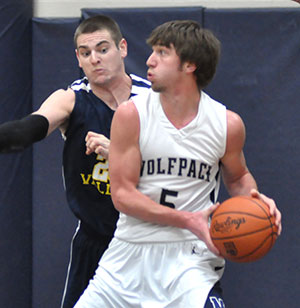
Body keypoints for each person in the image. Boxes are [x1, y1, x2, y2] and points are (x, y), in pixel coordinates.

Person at [74, 20, 282, 308]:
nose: (149, 60)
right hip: (129, 253)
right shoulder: (131, 115)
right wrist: (187, 219)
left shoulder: (226, 124)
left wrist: (256, 202)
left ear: (189, 65)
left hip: (190, 258)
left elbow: (238, 178)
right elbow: (122, 195)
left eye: (162, 52)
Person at [0, 15, 150, 308]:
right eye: (85, 52)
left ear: (122, 48)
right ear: (78, 59)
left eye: (103, 49)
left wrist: (119, 153)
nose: (95, 59)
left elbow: (176, 164)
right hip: (95, 239)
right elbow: (28, 129)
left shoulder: (152, 99)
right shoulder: (71, 99)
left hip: (149, 237)